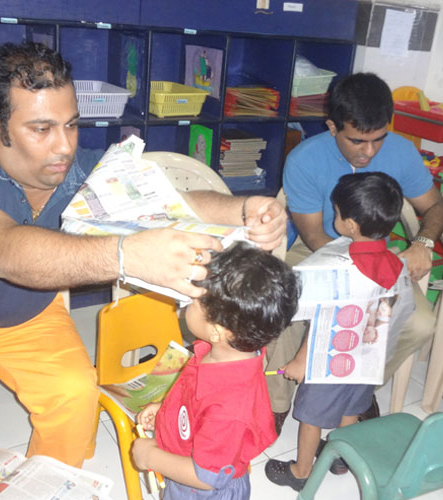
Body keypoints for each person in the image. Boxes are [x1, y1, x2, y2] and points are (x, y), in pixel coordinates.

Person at [0, 42, 287, 467]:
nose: (64, 147)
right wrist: (126, 255)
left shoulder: (81, 169)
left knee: (76, 396)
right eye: (42, 129)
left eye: (71, 125)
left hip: (29, 318)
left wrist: (244, 209)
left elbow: (173, 199)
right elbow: (2, 251)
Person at [265, 72, 443, 432]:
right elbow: (314, 236)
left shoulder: (401, 151)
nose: (370, 152)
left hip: (378, 253)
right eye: (358, 141)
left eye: (379, 139)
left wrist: (423, 242)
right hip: (319, 251)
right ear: (332, 127)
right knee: (285, 304)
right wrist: (357, 287)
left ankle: (358, 385)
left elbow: (435, 206)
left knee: (420, 322)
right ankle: (277, 401)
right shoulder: (304, 159)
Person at [266, 171, 410, 491]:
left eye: (337, 212)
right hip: (366, 362)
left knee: (311, 418)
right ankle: (342, 457)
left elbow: (321, 319)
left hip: (330, 363)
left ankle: (301, 472)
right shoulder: (397, 265)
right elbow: (398, 314)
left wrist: (300, 361)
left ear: (351, 225)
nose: (335, 217)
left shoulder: (333, 267)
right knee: (352, 410)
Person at [132, 241, 300, 500]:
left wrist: (150, 456)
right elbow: (195, 398)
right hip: (186, 464)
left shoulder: (229, 408)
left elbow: (206, 479)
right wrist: (167, 410)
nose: (186, 305)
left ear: (217, 331)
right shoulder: (226, 353)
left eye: (192, 302)